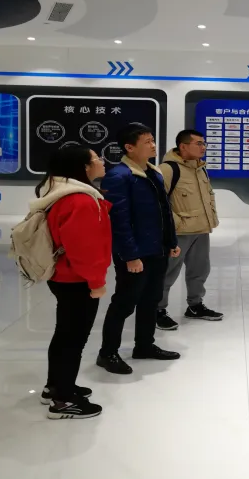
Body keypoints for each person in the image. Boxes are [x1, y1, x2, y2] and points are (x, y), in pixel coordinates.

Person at [34, 146, 111, 420]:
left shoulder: (62, 192)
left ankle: (56, 386)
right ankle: (63, 401)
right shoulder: (80, 200)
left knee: (64, 334)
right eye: (96, 158)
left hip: (64, 276)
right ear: (84, 167)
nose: (102, 161)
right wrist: (96, 282)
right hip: (77, 279)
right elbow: (83, 248)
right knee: (73, 339)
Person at [98, 124, 181, 375]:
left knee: (151, 300)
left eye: (153, 140)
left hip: (157, 249)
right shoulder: (119, 176)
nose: (153, 145)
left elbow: (164, 211)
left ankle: (144, 345)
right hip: (135, 253)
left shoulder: (154, 173)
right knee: (124, 303)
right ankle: (108, 353)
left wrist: (171, 242)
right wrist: (131, 255)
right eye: (147, 142)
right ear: (129, 147)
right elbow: (119, 221)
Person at [156, 129, 223, 331]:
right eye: (198, 143)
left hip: (201, 230)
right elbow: (158, 202)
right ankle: (157, 310)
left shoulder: (200, 168)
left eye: (204, 143)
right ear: (183, 146)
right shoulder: (167, 169)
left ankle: (195, 305)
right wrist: (175, 224)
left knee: (200, 271)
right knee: (167, 273)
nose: (203, 147)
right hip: (178, 233)